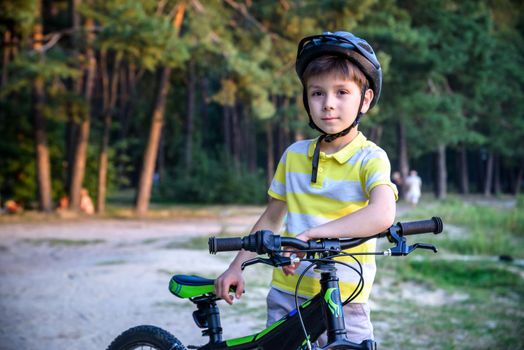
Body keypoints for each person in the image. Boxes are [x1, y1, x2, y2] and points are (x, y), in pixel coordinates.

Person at [215, 31, 397, 344]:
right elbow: (271, 219)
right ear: (306, 98)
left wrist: (310, 235)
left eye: (342, 92)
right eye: (317, 93)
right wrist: (236, 266)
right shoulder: (295, 156)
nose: (328, 104)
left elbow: (382, 213)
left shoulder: (371, 158)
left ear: (365, 99)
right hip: (289, 295)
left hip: (346, 299)